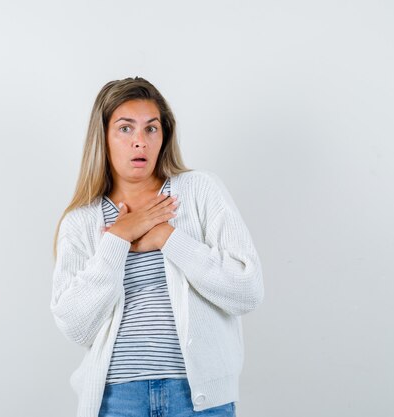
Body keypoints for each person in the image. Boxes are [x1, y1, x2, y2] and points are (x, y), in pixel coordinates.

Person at [50, 77, 264, 417]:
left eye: (151, 129)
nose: (140, 142)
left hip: (198, 398)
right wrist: (118, 238)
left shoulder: (199, 191)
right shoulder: (82, 221)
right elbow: (75, 325)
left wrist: (167, 238)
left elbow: (247, 291)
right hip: (116, 400)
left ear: (164, 136)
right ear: (103, 137)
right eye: (125, 128)